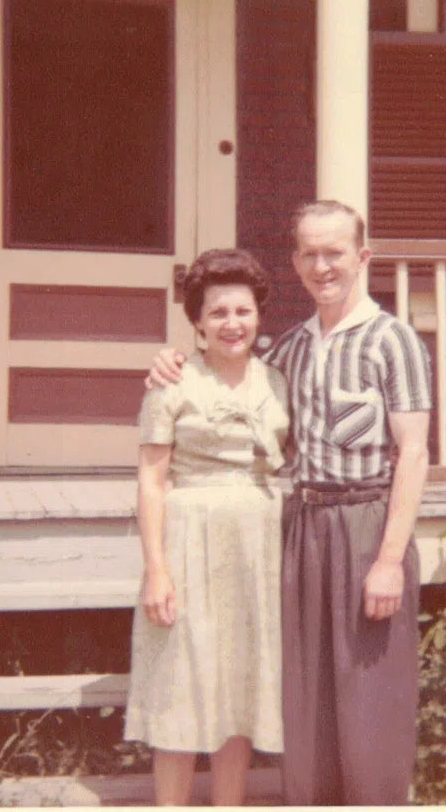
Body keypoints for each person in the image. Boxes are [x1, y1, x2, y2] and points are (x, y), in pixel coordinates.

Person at [149, 200, 432, 805]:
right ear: (296, 261)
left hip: (366, 524)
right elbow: (229, 367)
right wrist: (171, 360)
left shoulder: (393, 340)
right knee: (306, 703)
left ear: (362, 257)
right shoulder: (289, 352)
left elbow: (413, 453)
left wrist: (389, 558)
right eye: (310, 253)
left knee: (368, 697)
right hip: (302, 526)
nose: (323, 266)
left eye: (335, 252)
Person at [124, 248, 289, 806]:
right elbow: (151, 479)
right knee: (181, 684)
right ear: (197, 322)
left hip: (255, 547)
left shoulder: (277, 381)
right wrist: (156, 570)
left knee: (237, 688)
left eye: (242, 311)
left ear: (258, 316)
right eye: (218, 313)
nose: (232, 324)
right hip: (188, 540)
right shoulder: (170, 382)